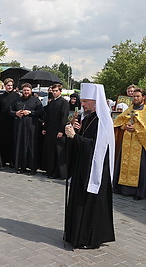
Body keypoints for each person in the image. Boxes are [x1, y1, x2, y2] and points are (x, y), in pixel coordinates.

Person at [64, 83, 115, 249]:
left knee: (90, 204)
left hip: (96, 171)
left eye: (85, 101)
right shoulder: (87, 118)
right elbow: (82, 143)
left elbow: (96, 147)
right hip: (83, 167)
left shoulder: (102, 120)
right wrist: (75, 132)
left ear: (95, 102)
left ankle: (88, 238)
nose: (82, 105)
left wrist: (75, 137)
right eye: (82, 101)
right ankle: (75, 235)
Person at [113, 88, 146, 200]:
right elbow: (118, 122)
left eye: (138, 96)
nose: (135, 98)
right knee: (123, 164)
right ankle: (122, 189)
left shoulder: (145, 111)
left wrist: (136, 128)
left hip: (139, 143)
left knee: (140, 167)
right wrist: (124, 126)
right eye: (134, 96)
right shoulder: (129, 109)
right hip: (127, 142)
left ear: (143, 97)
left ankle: (139, 193)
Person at [11, 83, 44, 174]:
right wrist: (16, 113)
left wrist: (30, 112)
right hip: (20, 127)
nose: (26, 92)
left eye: (28, 90)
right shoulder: (17, 100)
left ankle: (33, 168)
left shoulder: (36, 100)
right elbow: (10, 110)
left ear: (31, 91)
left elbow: (41, 111)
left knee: (31, 147)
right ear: (22, 91)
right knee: (20, 146)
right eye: (24, 90)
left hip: (31, 127)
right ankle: (21, 167)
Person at [41, 83, 69, 179]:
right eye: (53, 91)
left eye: (56, 91)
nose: (54, 92)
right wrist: (45, 128)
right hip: (50, 130)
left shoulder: (64, 102)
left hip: (58, 131)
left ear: (60, 91)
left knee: (57, 152)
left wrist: (61, 130)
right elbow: (47, 117)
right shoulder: (52, 102)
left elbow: (64, 117)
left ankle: (58, 173)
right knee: (50, 151)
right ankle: (50, 170)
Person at [0, 78, 20, 167]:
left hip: (14, 121)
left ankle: (12, 161)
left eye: (11, 85)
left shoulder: (17, 96)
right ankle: (2, 160)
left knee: (13, 141)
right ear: (5, 86)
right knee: (3, 141)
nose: (9, 87)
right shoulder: (1, 97)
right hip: (3, 122)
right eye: (8, 85)